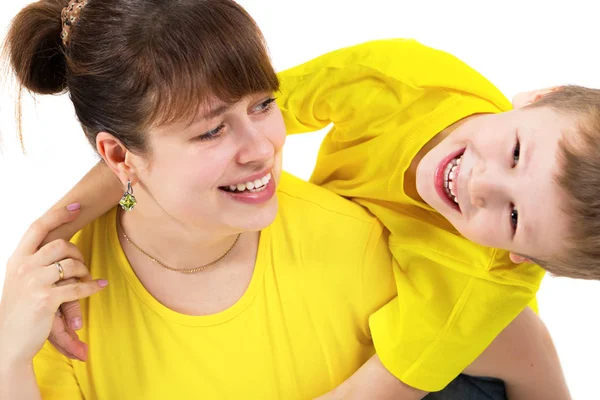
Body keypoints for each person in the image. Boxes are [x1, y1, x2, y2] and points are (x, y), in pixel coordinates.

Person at [0, 1, 568, 399]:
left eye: (263, 106)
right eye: (210, 131)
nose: (263, 149)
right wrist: (9, 352)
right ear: (119, 156)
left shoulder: (370, 248)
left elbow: (517, 342)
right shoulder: (58, 298)